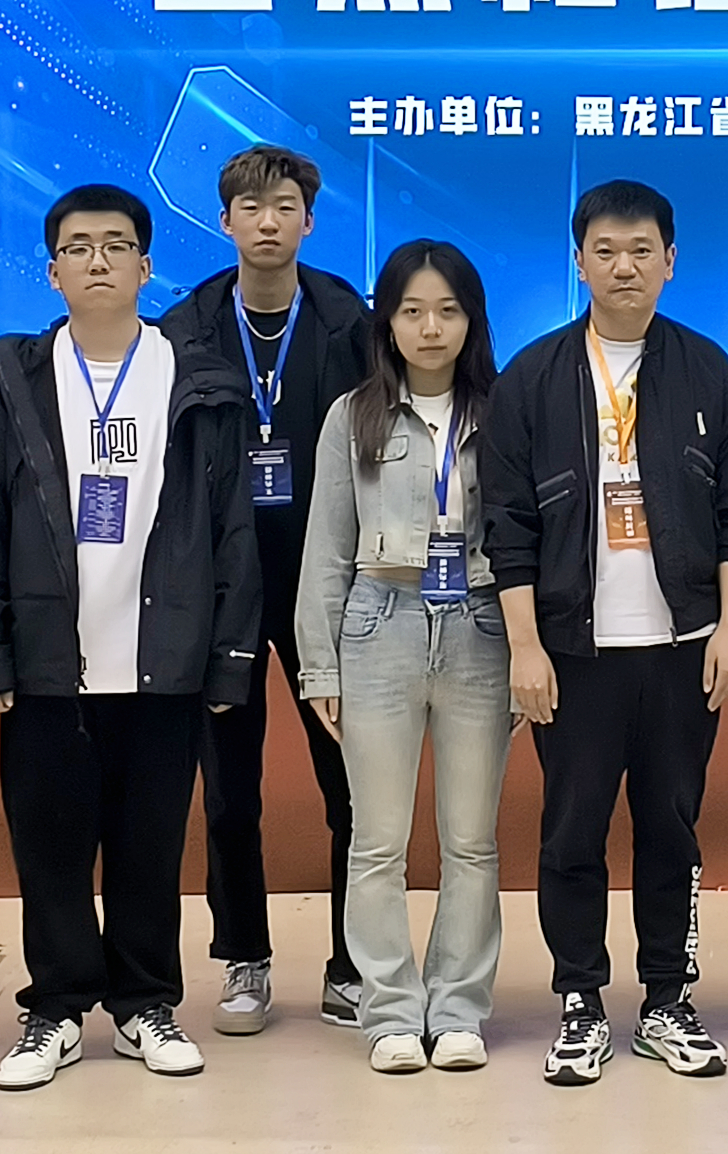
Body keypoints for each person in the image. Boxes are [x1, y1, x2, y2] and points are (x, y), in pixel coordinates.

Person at [0, 185, 262, 1091]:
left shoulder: (197, 380)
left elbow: (232, 529)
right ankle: (54, 1008)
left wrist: (229, 661)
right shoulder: (15, 380)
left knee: (149, 846)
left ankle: (144, 1004)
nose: (98, 260)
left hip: (164, 659)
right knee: (48, 846)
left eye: (116, 245)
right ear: (52, 271)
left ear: (145, 267)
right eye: (78, 247)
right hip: (50, 661)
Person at [480, 179, 728, 1086]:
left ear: (671, 261)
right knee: (572, 831)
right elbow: (508, 525)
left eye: (642, 250)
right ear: (579, 262)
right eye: (605, 250)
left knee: (671, 829)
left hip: (682, 648)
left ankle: (668, 1000)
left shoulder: (709, 370)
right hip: (573, 650)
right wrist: (526, 646)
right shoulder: (531, 377)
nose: (624, 266)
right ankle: (580, 1001)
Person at [158, 145, 367, 1035]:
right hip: (223, 584)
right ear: (226, 221)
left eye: (285, 206)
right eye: (251, 208)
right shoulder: (184, 330)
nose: (268, 222)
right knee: (230, 791)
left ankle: (355, 962)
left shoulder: (351, 322)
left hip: (330, 581)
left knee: (351, 784)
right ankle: (244, 956)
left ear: (308, 221)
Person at [295, 240, 511, 1075]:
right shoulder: (352, 416)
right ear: (386, 321)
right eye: (412, 311)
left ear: (472, 321)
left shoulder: (504, 412)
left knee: (472, 841)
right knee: (377, 842)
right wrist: (320, 667)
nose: (430, 328)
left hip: (480, 628)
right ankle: (388, 1010)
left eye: (448, 311)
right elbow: (325, 550)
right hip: (378, 624)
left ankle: (457, 1009)